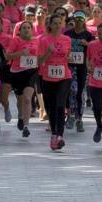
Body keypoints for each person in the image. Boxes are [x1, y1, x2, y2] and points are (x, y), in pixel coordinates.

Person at [38, 14, 72, 150]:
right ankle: (54, 134)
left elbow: (68, 57)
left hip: (64, 76)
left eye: (60, 23)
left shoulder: (67, 39)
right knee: (51, 108)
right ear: (50, 25)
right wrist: (48, 53)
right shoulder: (43, 40)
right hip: (47, 77)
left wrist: (68, 57)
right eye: (55, 23)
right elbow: (39, 61)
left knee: (60, 105)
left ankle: (60, 136)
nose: (58, 25)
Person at [6, 21, 40, 138]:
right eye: (24, 28)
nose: (26, 30)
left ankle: (26, 126)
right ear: (19, 31)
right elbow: (8, 56)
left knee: (27, 98)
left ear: (32, 29)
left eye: (28, 28)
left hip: (31, 72)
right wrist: (20, 53)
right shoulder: (15, 40)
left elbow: (40, 56)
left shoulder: (37, 40)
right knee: (20, 100)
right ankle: (20, 115)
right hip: (17, 73)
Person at [65, 10, 95, 133]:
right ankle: (71, 115)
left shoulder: (88, 35)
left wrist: (87, 44)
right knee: (72, 90)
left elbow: (94, 50)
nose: (78, 21)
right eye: (76, 18)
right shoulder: (67, 34)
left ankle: (79, 119)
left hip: (82, 67)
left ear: (84, 21)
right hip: (70, 67)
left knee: (80, 93)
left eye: (81, 19)